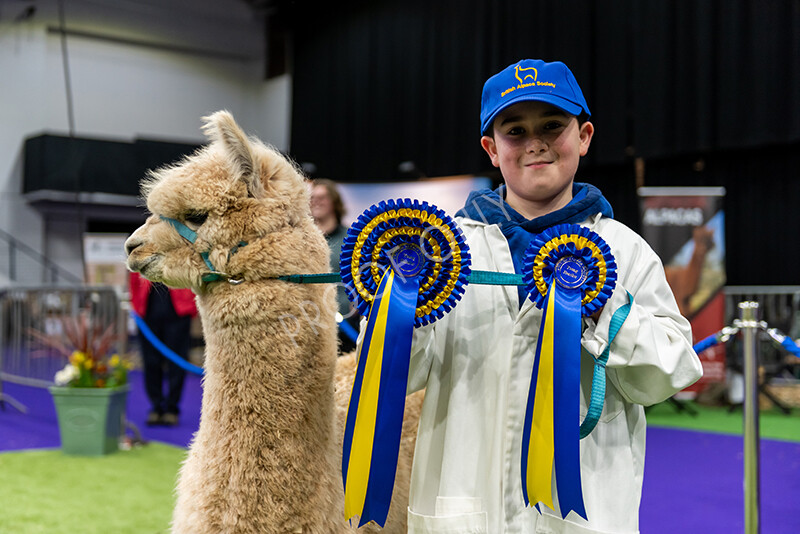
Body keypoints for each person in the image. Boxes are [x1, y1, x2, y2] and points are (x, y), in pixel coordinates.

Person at [404, 59, 703, 533]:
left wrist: (604, 308)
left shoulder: (624, 251)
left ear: (583, 136)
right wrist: (397, 309)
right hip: (464, 508)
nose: (535, 142)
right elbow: (404, 373)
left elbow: (670, 373)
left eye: (551, 125)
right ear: (491, 148)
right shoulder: (442, 251)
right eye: (514, 131)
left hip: (584, 510)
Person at [129, 271, 197, 426]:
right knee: (150, 362)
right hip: (147, 312)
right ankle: (156, 406)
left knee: (177, 362)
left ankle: (172, 408)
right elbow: (134, 277)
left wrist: (191, 305)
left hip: (178, 312)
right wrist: (136, 305)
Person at [310, 178, 360, 353]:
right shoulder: (301, 241)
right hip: (310, 323)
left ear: (334, 202)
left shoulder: (351, 238)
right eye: (312, 197)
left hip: (346, 327)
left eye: (322, 197)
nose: (316, 201)